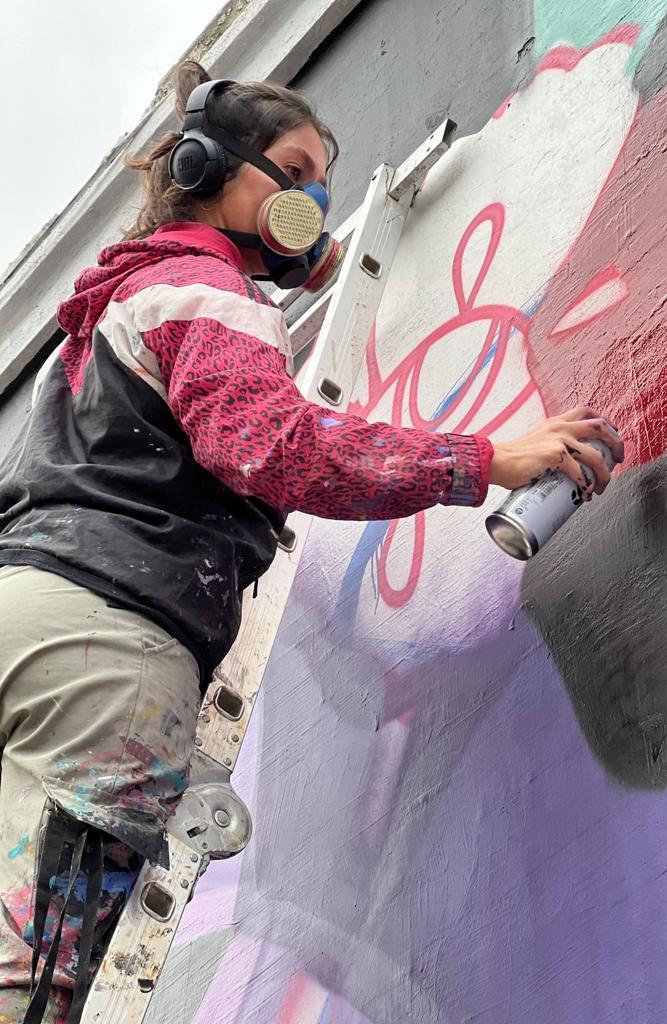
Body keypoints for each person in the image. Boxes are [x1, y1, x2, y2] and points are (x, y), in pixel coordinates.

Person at [0, 59, 623, 1023]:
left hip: (28, 624)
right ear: (209, 168)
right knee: (41, 980)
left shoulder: (110, 310)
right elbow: (280, 447)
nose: (311, 199)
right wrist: (489, 458)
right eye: (290, 171)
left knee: (11, 936)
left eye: (321, 181)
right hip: (105, 651)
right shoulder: (206, 292)